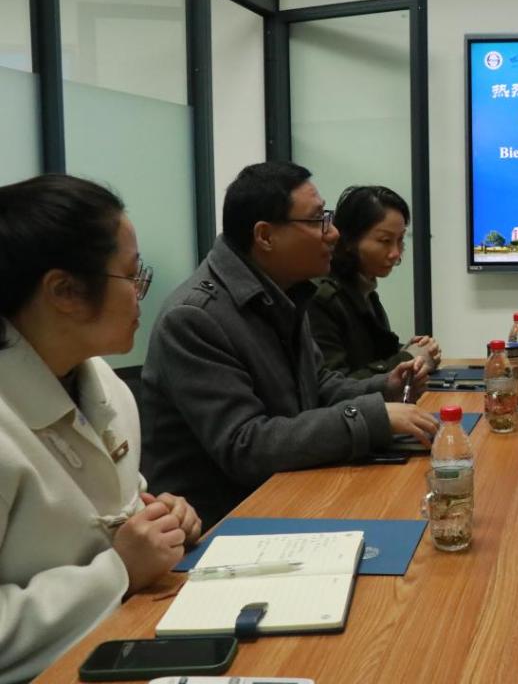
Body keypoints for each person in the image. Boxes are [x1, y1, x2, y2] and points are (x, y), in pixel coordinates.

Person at [140, 162, 438, 529]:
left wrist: (385, 387)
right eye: (317, 221)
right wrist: (372, 417)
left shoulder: (284, 291)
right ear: (265, 236)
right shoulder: (195, 317)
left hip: (288, 497)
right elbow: (246, 445)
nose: (333, 234)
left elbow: (318, 385)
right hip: (225, 525)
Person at [0, 175, 201, 683]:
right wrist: (118, 570)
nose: (140, 294)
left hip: (120, 640)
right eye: (132, 276)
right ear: (64, 291)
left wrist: (161, 519)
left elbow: (115, 508)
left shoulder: (103, 383)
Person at [309, 185, 441, 379]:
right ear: (349, 240)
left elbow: (374, 356)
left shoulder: (364, 289)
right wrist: (407, 358)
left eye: (400, 240)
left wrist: (416, 352)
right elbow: (336, 385)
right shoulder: (320, 298)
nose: (395, 253)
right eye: (385, 240)